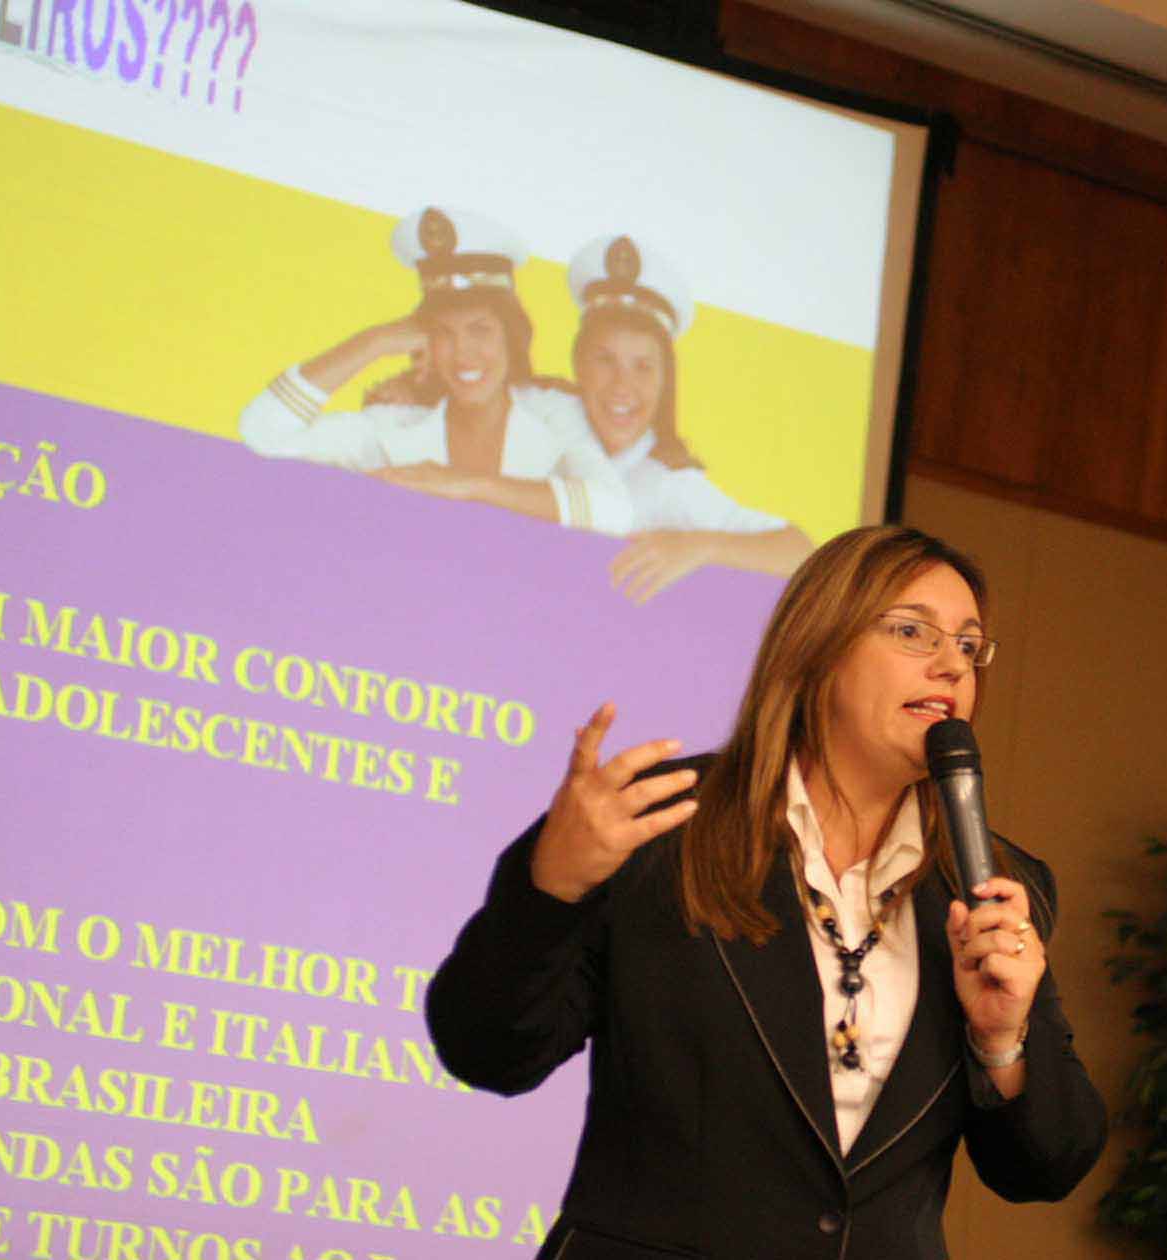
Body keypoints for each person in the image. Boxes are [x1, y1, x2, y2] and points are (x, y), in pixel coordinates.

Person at [426, 525, 1107, 1259]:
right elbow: (488, 1052)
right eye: (913, 632)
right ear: (819, 646)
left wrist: (1003, 1041)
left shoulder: (997, 885)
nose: (951, 665)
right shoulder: (660, 828)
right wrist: (549, 890)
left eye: (969, 646)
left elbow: (1047, 1165)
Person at [238, 207, 631, 534]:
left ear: (511, 338)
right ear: (424, 343)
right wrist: (374, 342)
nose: (463, 354)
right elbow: (263, 435)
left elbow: (614, 512)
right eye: (444, 334)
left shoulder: (552, 412)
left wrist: (465, 485)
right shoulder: (396, 424)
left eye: (480, 330)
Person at [566, 234, 814, 602]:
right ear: (578, 365)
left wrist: (699, 546)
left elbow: (801, 553)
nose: (622, 386)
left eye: (643, 367)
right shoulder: (550, 441)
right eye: (605, 360)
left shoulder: (670, 485)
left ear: (665, 381)